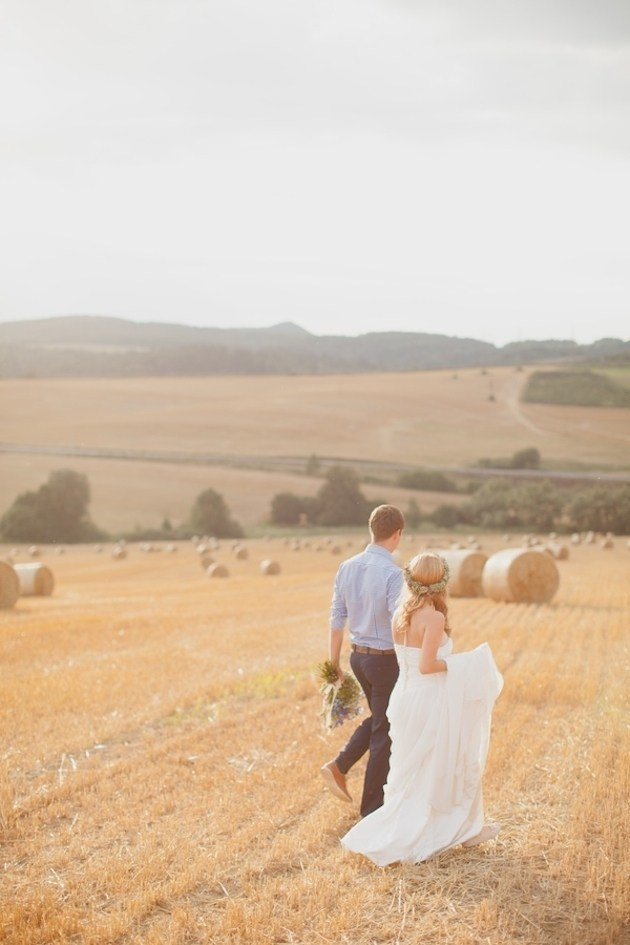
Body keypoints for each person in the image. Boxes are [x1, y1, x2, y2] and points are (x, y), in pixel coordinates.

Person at [340, 551, 503, 866]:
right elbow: (428, 666)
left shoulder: (400, 613)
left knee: (412, 771)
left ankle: (462, 829)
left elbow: (412, 662)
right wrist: (463, 663)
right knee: (442, 764)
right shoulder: (434, 618)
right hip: (428, 698)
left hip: (404, 697)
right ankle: (449, 831)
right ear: (442, 582)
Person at [320, 504, 405, 817]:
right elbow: (399, 623)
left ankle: (340, 766)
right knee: (384, 731)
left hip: (358, 658)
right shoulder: (394, 574)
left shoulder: (347, 567)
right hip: (385, 662)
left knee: (381, 719)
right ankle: (371, 812)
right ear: (398, 534)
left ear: (372, 530)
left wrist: (334, 663)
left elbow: (336, 617)